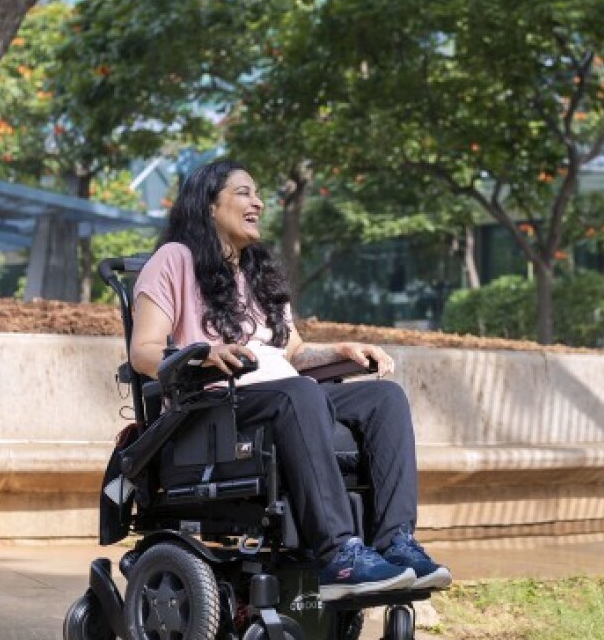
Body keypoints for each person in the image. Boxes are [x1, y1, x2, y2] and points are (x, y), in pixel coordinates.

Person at [128, 159, 451, 600]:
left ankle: (395, 543)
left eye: (257, 193)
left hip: (286, 397)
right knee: (299, 395)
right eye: (243, 192)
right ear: (207, 205)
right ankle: (339, 554)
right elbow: (144, 352)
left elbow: (292, 353)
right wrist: (206, 353)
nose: (257, 202)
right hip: (217, 406)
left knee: (384, 399)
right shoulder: (174, 260)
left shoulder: (259, 271)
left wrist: (338, 351)